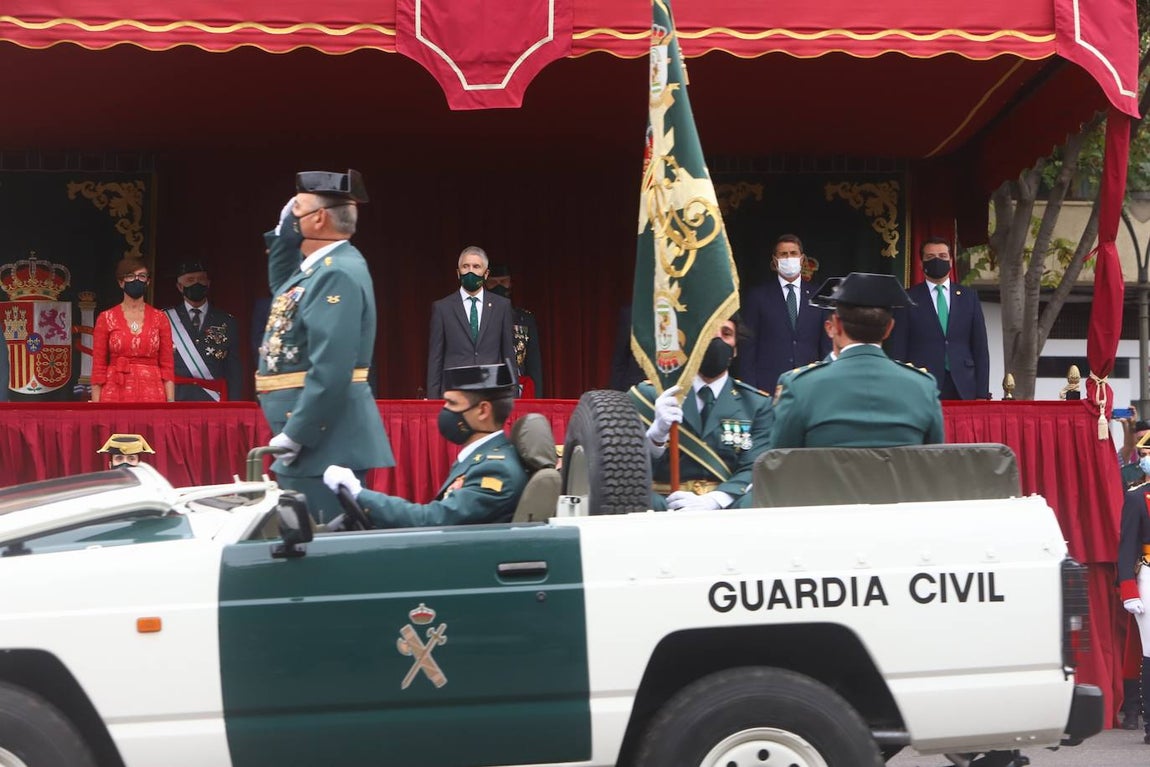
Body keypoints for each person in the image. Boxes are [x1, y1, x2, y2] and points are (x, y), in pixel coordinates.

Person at [255, 169, 394, 524]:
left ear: (318, 218)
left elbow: (331, 369)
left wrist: (298, 434)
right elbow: (283, 288)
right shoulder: (317, 270)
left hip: (325, 442)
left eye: (296, 209)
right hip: (315, 441)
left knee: (321, 552)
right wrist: (282, 236)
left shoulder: (337, 272)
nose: (291, 217)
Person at [323, 362, 526, 527]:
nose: (444, 411)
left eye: (452, 404)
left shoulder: (496, 470)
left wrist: (359, 494)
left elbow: (433, 520)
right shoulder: (483, 458)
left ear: (483, 411)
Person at [769, 272, 944, 448]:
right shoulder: (923, 387)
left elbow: (780, 462)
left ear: (836, 325)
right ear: (889, 328)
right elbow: (932, 462)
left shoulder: (800, 387)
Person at [629, 315, 774, 510]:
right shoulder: (650, 396)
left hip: (726, 507)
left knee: (755, 501)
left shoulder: (756, 404)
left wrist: (713, 501)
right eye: (708, 333)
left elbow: (754, 466)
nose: (717, 341)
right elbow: (626, 466)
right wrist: (656, 435)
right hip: (664, 504)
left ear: (735, 349)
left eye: (726, 334)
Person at [887, 236, 991, 400]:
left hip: (963, 384)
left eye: (942, 256)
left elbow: (980, 347)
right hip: (921, 383)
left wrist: (982, 393)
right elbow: (899, 348)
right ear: (921, 263)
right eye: (930, 257)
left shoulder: (969, 297)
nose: (937, 261)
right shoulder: (907, 298)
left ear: (950, 261)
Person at [739, 234, 830, 392]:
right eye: (783, 254)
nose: (789, 258)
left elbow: (827, 346)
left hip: (810, 386)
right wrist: (751, 390)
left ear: (802, 259)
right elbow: (747, 347)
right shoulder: (758, 297)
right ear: (775, 261)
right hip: (768, 388)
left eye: (793, 253)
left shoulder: (818, 296)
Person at [425, 246, 517, 398]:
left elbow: (508, 354)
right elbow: (435, 358)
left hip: (492, 394)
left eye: (476, 267)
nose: (470, 271)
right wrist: (433, 400)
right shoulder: (442, 308)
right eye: (465, 266)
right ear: (458, 272)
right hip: (455, 394)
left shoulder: (502, 306)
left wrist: (512, 396)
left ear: (486, 274)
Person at [90, 257, 175, 403]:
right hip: (114, 393)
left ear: (148, 282)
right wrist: (97, 406)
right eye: (130, 276)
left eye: (141, 276)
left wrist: (170, 402)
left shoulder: (160, 318)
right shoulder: (105, 318)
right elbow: (98, 367)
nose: (136, 280)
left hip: (153, 393)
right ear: (121, 282)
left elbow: (167, 367)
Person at [164, 261, 242, 402]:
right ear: (180, 287)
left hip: (213, 399)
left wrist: (234, 404)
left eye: (201, 279)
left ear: (208, 283)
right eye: (190, 280)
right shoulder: (164, 319)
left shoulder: (226, 321)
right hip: (176, 399)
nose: (196, 284)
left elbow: (233, 370)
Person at [1118, 430, 1150, 743]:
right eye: (1143, 454)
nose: (1145, 459)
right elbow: (1127, 545)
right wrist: (1128, 588)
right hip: (1148, 573)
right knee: (1147, 650)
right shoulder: (1137, 496)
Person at [487, 263, 544, 396]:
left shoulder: (525, 319)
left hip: (517, 392)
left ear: (510, 284)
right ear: (485, 284)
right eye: (493, 282)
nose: (499, 286)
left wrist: (537, 402)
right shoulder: (475, 319)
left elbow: (534, 365)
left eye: (503, 282)